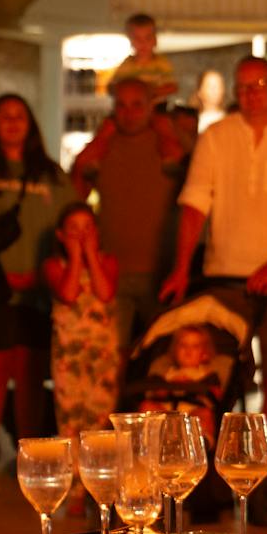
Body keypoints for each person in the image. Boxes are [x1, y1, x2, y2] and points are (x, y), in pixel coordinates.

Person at [163, 56, 267, 492]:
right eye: (244, 86)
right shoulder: (216, 137)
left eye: (259, 85)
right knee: (220, 376)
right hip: (224, 275)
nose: (251, 93)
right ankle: (218, 476)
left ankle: (263, 478)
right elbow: (195, 204)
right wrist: (181, 268)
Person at [0, 94, 73, 490]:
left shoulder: (52, 177)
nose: (12, 122)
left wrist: (45, 276)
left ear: (30, 124)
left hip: (40, 294)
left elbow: (70, 227)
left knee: (30, 377)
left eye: (19, 116)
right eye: (4, 116)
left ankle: (30, 459)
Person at [69, 76, 185, 351]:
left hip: (162, 272)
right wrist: (102, 137)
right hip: (111, 272)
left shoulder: (169, 144)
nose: (128, 113)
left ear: (150, 107)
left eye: (137, 105)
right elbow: (75, 191)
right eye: (121, 105)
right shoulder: (104, 146)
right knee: (111, 356)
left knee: (162, 356)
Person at [43, 202, 121, 443]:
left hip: (102, 354)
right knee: (70, 414)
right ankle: (75, 475)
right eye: (74, 228)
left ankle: (100, 475)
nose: (81, 234)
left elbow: (105, 292)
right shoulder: (54, 266)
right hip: (69, 356)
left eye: (87, 227)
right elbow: (68, 294)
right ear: (61, 235)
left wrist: (90, 256)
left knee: (102, 415)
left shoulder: (108, 262)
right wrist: (76, 257)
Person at [105, 12, 177, 103]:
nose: (143, 43)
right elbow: (111, 87)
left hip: (157, 108)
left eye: (148, 38)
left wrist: (151, 92)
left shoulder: (161, 63)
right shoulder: (127, 64)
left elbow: (173, 87)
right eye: (137, 38)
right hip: (132, 110)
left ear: (155, 40)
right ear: (130, 40)